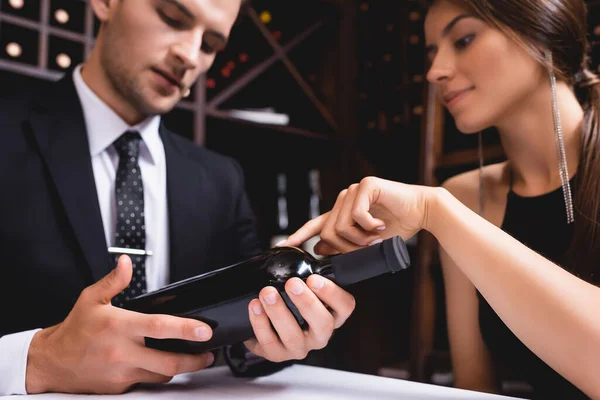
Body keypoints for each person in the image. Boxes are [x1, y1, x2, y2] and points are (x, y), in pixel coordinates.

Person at [0, 0, 356, 395]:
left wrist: (277, 337)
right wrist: (38, 360)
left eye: (210, 46)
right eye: (172, 18)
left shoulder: (221, 179)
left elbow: (246, 335)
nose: (189, 56)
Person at [280, 0, 600, 398]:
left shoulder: (448, 208)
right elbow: (474, 387)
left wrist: (438, 212)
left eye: (464, 39)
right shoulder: (465, 197)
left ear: (542, 30)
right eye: (430, 54)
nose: (435, 72)